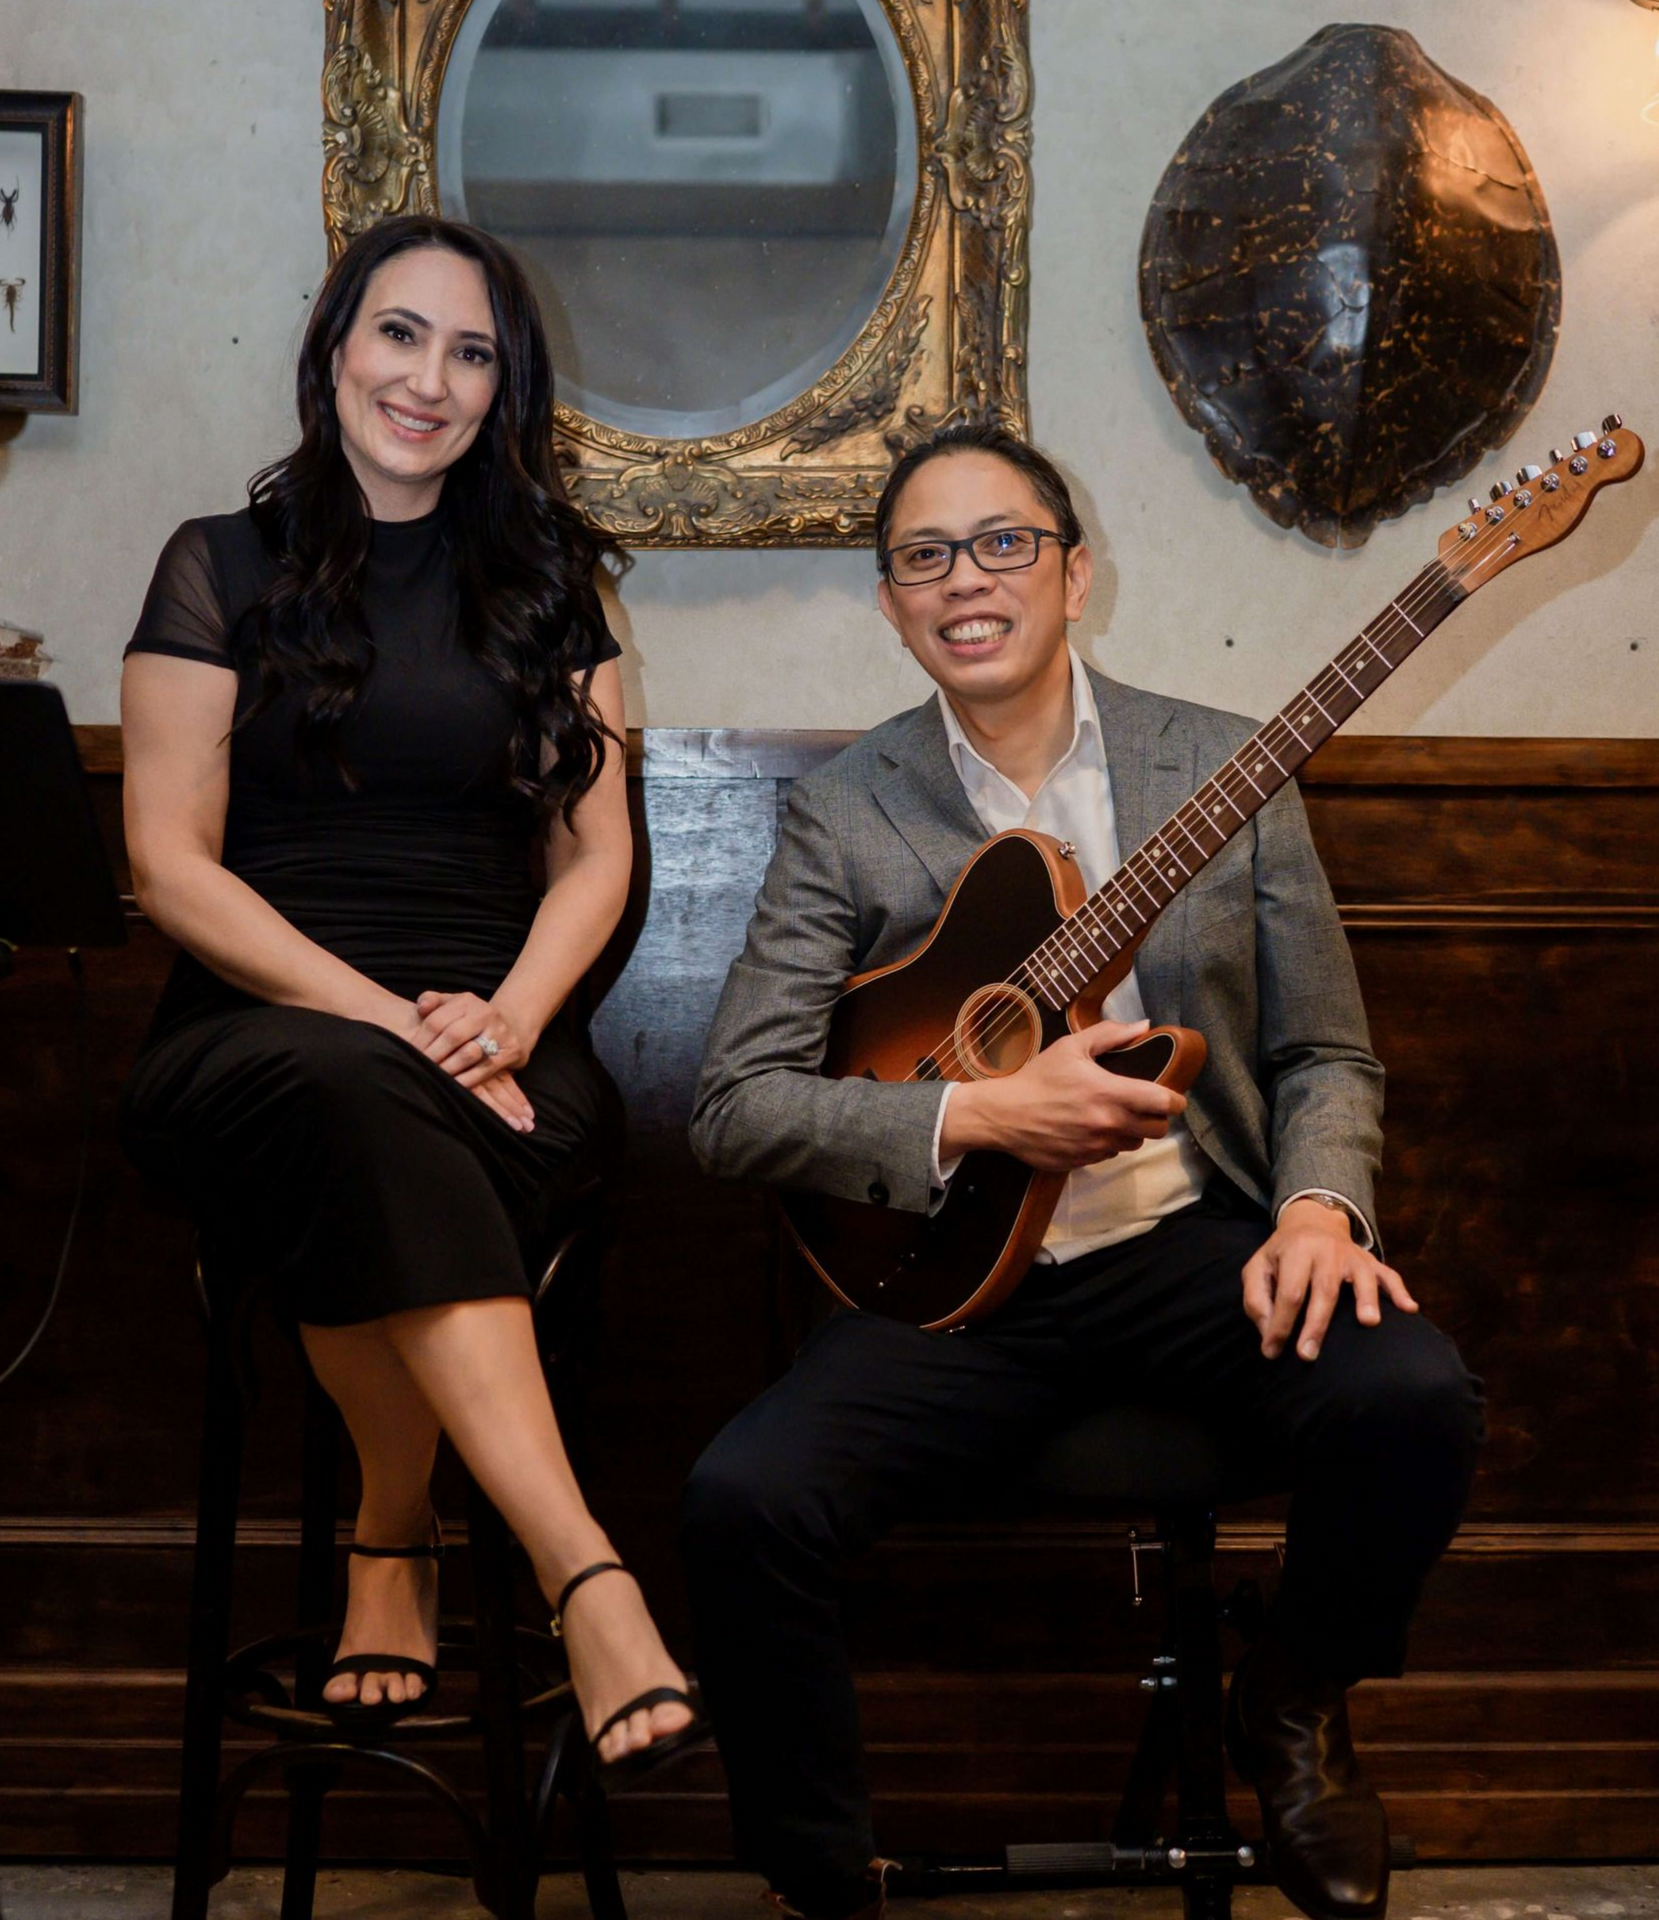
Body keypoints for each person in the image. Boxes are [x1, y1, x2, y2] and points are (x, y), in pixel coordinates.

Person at [682, 423, 1484, 1918]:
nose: (965, 581)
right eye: (924, 557)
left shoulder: (1230, 770)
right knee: (742, 1502)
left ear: (1073, 571)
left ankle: (1295, 1698)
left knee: (1413, 1395)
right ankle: (814, 1876)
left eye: (1003, 544)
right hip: (953, 1287)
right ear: (891, 603)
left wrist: (1317, 1204)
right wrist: (979, 1121)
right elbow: (736, 1107)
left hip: (1189, 1247)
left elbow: (1330, 1055)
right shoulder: (846, 812)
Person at [119, 214, 704, 1781]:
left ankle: (397, 1531)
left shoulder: (554, 584)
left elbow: (598, 857)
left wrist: (504, 1017)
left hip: (506, 1044)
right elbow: (171, 870)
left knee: (373, 1135)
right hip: (257, 1035)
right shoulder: (215, 565)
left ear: (503, 391)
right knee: (343, 1095)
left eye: (472, 352)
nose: (428, 379)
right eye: (399, 334)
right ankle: (582, 1570)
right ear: (332, 348)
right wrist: (391, 1019)